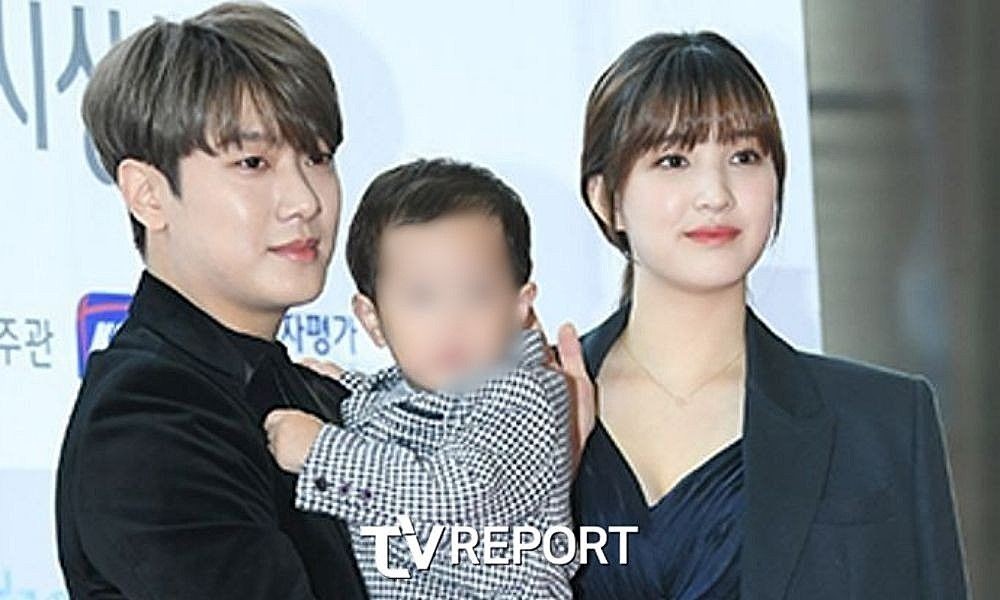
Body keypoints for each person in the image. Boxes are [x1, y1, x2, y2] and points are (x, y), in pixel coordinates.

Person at [568, 32, 969, 598]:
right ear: (607, 198)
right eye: (674, 160)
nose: (715, 194)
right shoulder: (517, 412)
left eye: (744, 157)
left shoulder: (884, 423)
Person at [55, 3, 367, 598]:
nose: (305, 200)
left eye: (318, 157)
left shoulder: (306, 389)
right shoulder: (149, 421)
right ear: (148, 195)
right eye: (253, 163)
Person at [264, 158, 576, 599]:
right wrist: (345, 387)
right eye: (422, 298)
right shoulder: (409, 388)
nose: (452, 322)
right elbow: (410, 415)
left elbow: (456, 497)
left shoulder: (525, 397)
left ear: (519, 305)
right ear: (372, 319)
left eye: (477, 294)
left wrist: (321, 452)